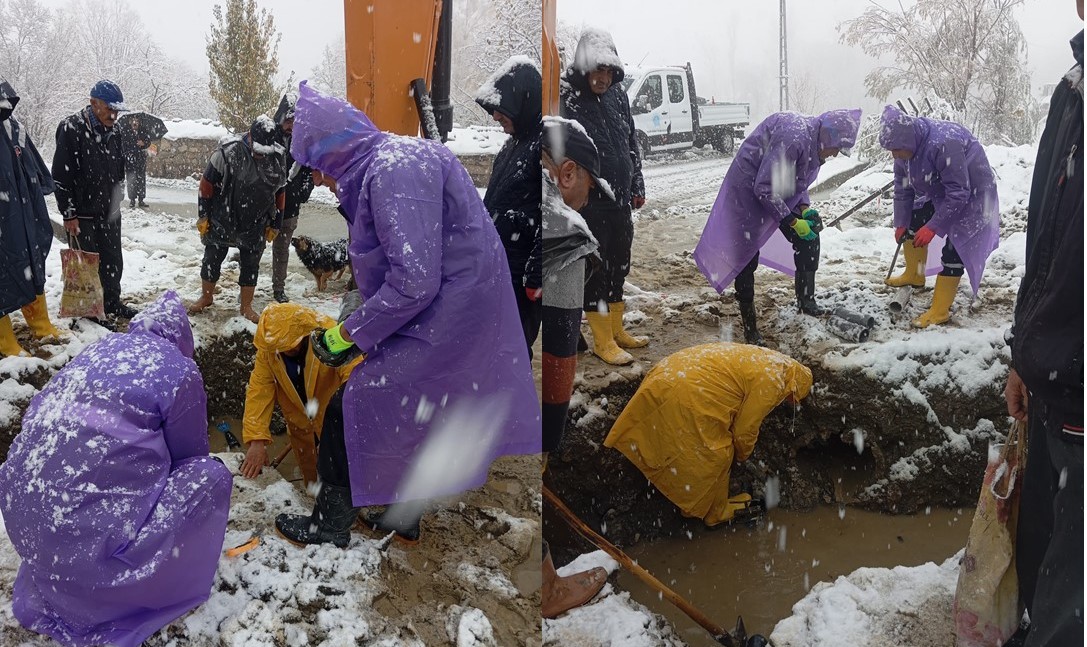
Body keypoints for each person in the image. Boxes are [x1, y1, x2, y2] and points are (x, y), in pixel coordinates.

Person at [274, 82, 539, 547]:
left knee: (354, 404)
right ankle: (404, 514)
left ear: (335, 150)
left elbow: (414, 281)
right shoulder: (386, 164)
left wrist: (348, 336)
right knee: (417, 408)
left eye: (317, 167)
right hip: (450, 306)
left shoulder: (392, 170)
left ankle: (331, 524)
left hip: (452, 313)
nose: (316, 181)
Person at [0, 291, 232, 647]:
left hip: (27, 524)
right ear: (182, 339)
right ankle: (142, 587)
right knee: (211, 476)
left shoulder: (97, 350)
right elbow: (190, 456)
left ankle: (67, 570)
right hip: (89, 557)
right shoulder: (179, 369)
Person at [1003, 10, 1082, 647]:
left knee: (1073, 590)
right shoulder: (1072, 91)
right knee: (1040, 551)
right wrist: (1022, 355)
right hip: (1052, 374)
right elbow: (1044, 242)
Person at [693, 109, 862, 345]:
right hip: (747, 189)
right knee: (746, 256)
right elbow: (764, 188)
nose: (834, 154)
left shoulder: (814, 143)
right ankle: (750, 329)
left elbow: (797, 180)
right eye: (836, 148)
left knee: (810, 236)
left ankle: (806, 301)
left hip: (773, 189)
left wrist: (804, 210)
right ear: (828, 136)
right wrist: (792, 221)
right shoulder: (794, 138)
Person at [604, 343, 812, 526]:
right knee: (717, 452)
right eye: (792, 399)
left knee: (681, 442)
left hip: (669, 372)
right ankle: (715, 513)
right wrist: (742, 455)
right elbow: (744, 430)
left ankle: (691, 500)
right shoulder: (775, 382)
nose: (789, 402)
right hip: (688, 391)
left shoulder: (770, 359)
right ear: (794, 387)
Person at [539, 115, 609, 619]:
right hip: (522, 383)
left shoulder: (512, 178)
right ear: (568, 173)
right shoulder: (564, 232)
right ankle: (546, 589)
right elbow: (560, 350)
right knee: (532, 460)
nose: (587, 202)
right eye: (588, 187)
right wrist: (551, 434)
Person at [561, 27, 647, 365]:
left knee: (618, 265)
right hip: (590, 202)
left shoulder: (617, 95)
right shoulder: (567, 96)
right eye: (598, 70)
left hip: (620, 199)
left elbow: (630, 141)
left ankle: (615, 329)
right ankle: (602, 340)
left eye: (610, 71)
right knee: (594, 270)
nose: (604, 78)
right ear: (584, 67)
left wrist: (637, 183)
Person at [879, 104, 1000, 328]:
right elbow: (903, 188)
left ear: (908, 141)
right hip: (940, 191)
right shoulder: (904, 151)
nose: (894, 155)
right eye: (891, 150)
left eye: (896, 149)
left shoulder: (944, 143)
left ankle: (940, 310)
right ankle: (915, 274)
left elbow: (959, 192)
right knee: (914, 219)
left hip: (973, 195)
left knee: (955, 247)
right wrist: (901, 222)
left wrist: (933, 227)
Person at [239, 302, 361, 487]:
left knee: (343, 477)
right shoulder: (270, 348)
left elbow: (354, 382)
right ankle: (311, 497)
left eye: (289, 346)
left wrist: (337, 434)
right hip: (301, 426)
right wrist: (256, 440)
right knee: (312, 478)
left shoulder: (332, 336)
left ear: (303, 332)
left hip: (334, 420)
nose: (283, 351)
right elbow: (259, 390)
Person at [52, 80, 138, 320]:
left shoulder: (115, 131)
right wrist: (69, 213)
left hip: (109, 211)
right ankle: (89, 313)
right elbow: (61, 176)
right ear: (94, 103)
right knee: (86, 265)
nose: (114, 115)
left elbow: (119, 167)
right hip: (83, 213)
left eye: (117, 110)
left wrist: (118, 194)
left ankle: (111, 303)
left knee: (113, 260)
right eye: (110, 109)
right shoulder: (71, 128)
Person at [475, 56, 543, 352]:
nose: (495, 117)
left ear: (523, 102)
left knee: (514, 347)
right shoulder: (513, 143)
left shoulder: (545, 145)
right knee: (496, 343)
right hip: (502, 263)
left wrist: (536, 273)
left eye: (501, 110)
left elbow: (553, 217)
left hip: (522, 273)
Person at [190, 116, 286, 323]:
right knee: (212, 258)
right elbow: (206, 185)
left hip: (256, 219)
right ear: (250, 136)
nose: (260, 155)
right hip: (223, 215)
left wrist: (276, 222)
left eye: (264, 151)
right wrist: (203, 215)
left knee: (251, 263)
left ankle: (246, 306)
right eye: (257, 150)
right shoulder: (227, 152)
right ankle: (206, 297)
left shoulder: (278, 157)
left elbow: (280, 191)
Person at [0, 79, 65, 357]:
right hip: (6, 211)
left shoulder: (15, 127)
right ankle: (4, 340)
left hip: (23, 209)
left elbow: (33, 165)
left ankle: (40, 324)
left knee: (30, 262)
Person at [271, 92, 315, 303]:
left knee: (282, 250)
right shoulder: (268, 137)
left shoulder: (303, 142)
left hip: (290, 205)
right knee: (254, 249)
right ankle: (247, 288)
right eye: (288, 121)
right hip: (266, 204)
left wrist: (303, 191)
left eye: (295, 122)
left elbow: (309, 171)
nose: (291, 126)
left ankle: (279, 288)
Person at [120, 115, 150, 209]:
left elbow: (148, 142)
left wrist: (143, 143)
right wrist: (128, 153)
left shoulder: (143, 131)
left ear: (139, 122)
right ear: (130, 122)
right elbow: (123, 145)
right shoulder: (125, 132)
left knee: (141, 179)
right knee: (131, 179)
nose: (135, 123)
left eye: (136, 121)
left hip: (141, 159)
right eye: (133, 121)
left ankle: (141, 199)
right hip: (130, 159)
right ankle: (132, 200)